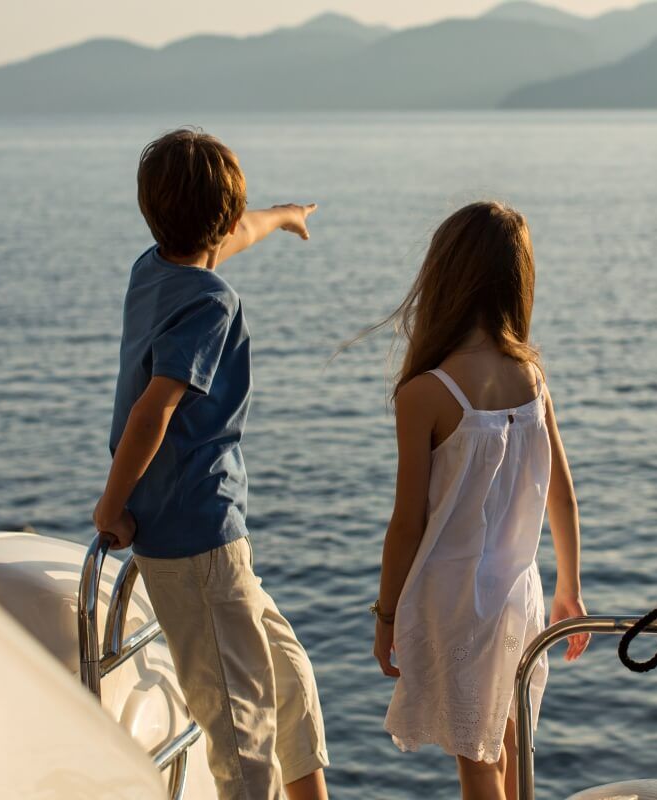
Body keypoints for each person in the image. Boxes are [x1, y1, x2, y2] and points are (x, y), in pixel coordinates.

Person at [93, 128, 328, 800]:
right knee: (240, 733)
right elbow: (152, 411)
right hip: (196, 541)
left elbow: (235, 236)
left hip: (216, 538)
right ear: (222, 220)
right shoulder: (210, 302)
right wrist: (112, 506)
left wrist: (284, 217)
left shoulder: (152, 271)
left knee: (288, 678)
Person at [368, 201, 590, 800]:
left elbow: (407, 523)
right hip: (520, 591)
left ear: (445, 277)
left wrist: (386, 615)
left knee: (475, 762)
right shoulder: (532, 378)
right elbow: (561, 495)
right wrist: (569, 585)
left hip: (452, 597)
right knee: (514, 747)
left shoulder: (425, 393)